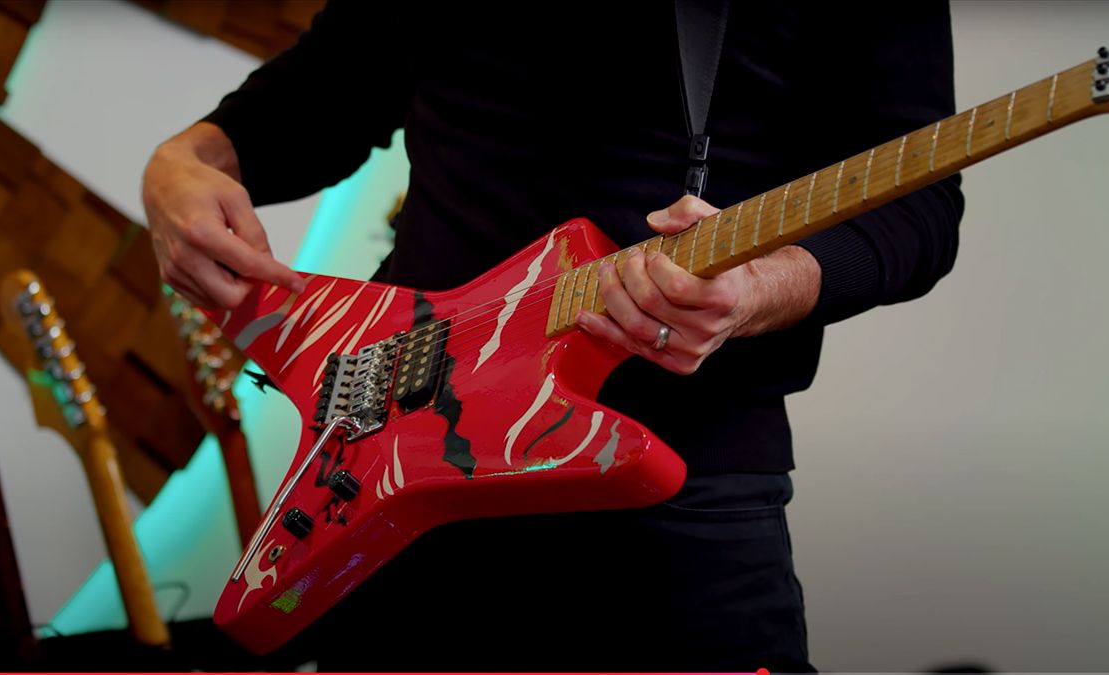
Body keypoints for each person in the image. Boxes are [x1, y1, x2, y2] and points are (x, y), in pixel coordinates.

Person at [142, 2, 963, 670]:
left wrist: (756, 289)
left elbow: (916, 210)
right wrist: (186, 158)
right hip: (399, 456)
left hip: (672, 487)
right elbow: (340, 81)